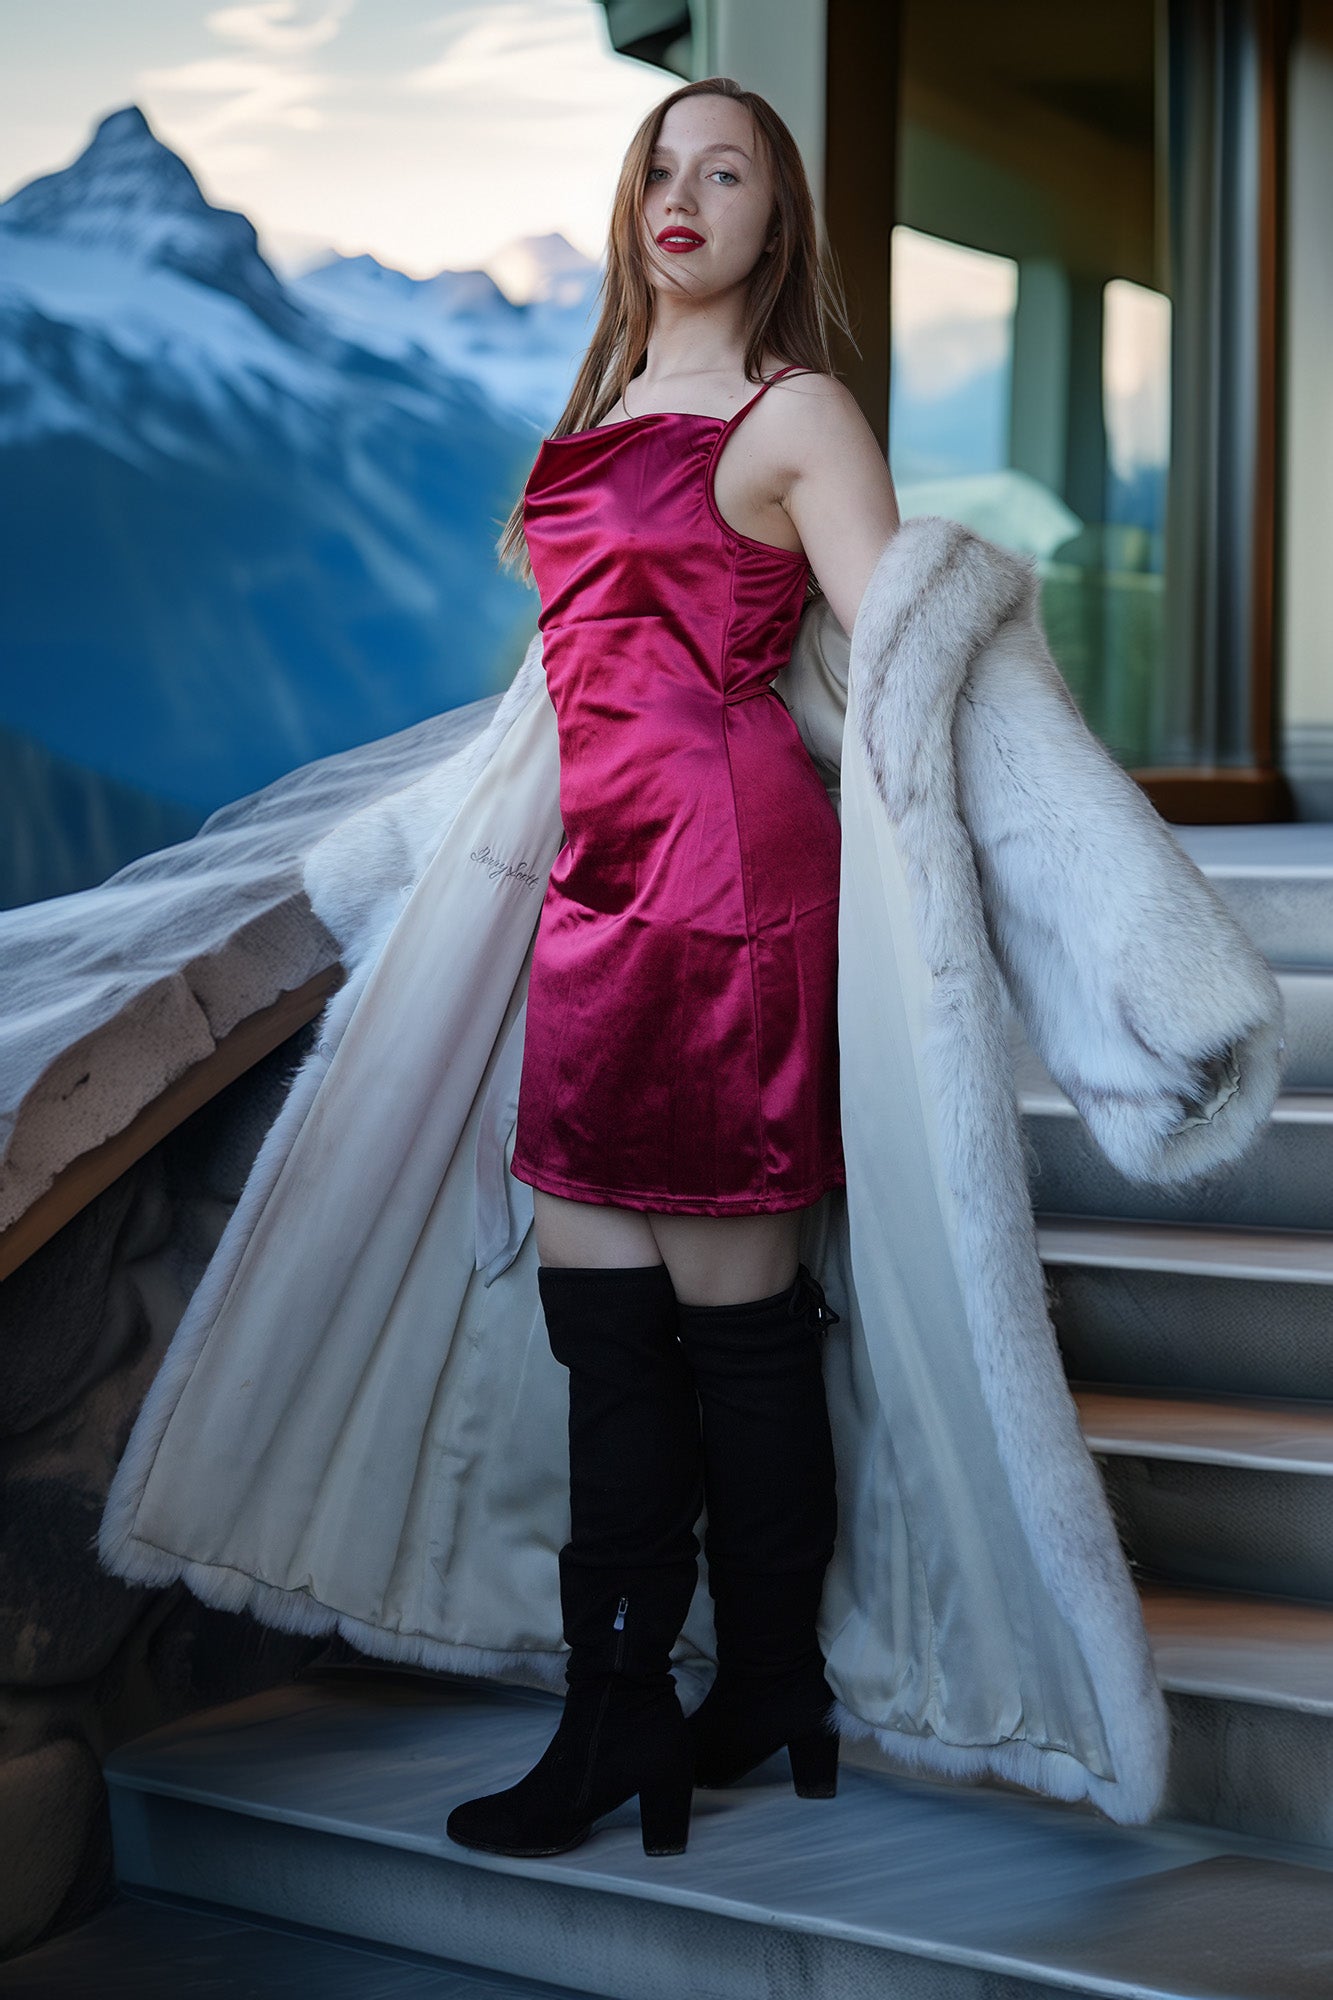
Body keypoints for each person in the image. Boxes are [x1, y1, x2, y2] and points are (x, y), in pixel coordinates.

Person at [444, 75, 901, 1861]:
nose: (681, 195)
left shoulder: (800, 417)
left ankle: (764, 1682)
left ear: (778, 224)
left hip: (729, 888)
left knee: (738, 1336)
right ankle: (620, 1711)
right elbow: (565, 674)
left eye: (726, 173)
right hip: (593, 892)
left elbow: (910, 652)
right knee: (605, 1335)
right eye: (659, 168)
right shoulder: (609, 401)